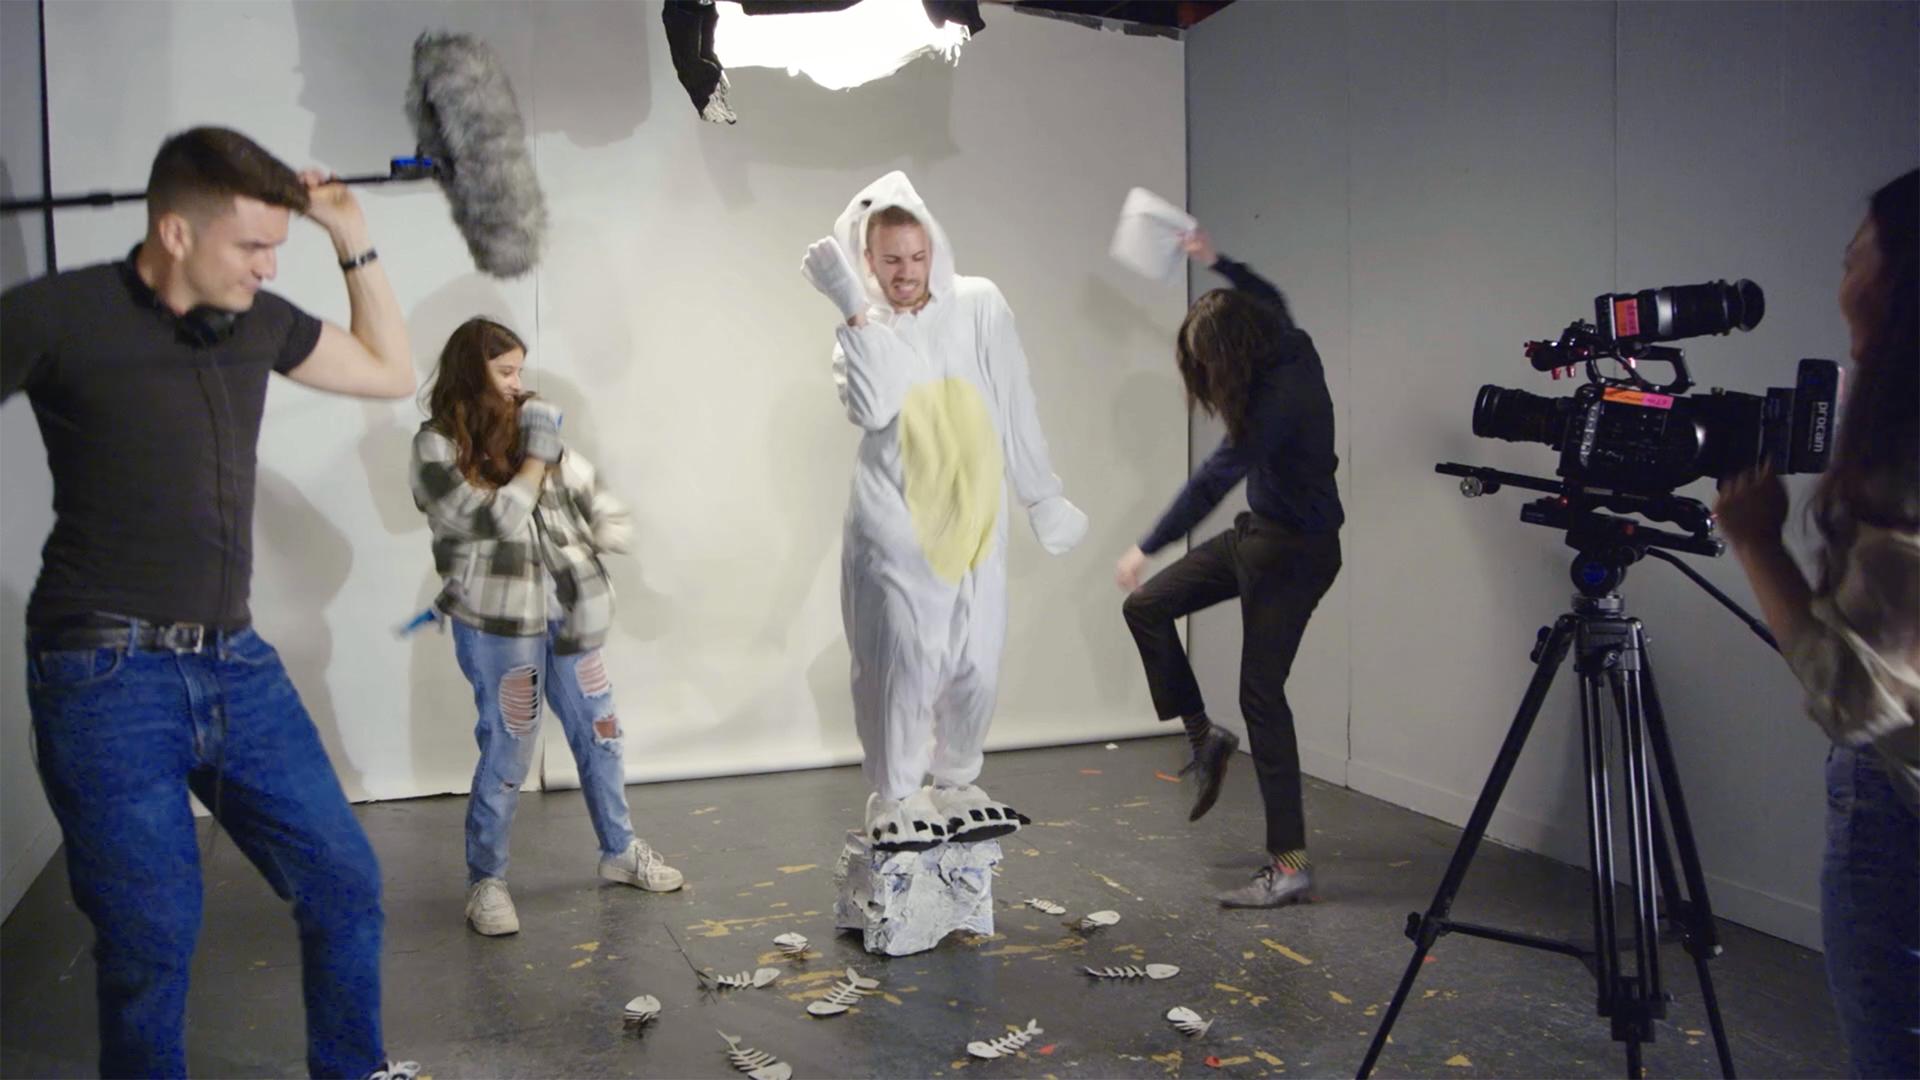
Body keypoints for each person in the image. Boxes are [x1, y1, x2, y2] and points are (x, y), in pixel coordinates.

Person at [0, 127, 418, 1080]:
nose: (271, 267)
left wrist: (348, 234)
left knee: (345, 883)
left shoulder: (254, 322)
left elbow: (391, 372)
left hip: (234, 663)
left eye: (280, 245)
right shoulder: (57, 315)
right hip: (102, 673)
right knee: (150, 938)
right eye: (253, 246)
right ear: (175, 233)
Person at [799, 171, 1088, 852]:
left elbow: (1015, 397)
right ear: (867, 260)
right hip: (894, 525)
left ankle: (956, 778)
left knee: (975, 658)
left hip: (976, 519)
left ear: (936, 249)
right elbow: (874, 407)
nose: (907, 272)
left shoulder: (980, 304)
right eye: (890, 259)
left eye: (917, 256)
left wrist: (1041, 492)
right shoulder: (860, 332)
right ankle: (896, 792)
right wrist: (851, 308)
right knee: (902, 658)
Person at [1716, 165, 1920, 1079]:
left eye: (1852, 260)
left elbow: (1853, 699)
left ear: (1890, 285)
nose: (1841, 283)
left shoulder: (1902, 469)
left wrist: (1757, 542)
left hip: (1899, 800)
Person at [409, 316, 684, 937]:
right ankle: (487, 880)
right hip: (497, 625)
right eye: (504, 371)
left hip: (566, 616)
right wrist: (535, 461)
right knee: (509, 743)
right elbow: (494, 522)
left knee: (601, 729)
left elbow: (591, 493)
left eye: (519, 371)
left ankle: (619, 851)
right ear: (469, 371)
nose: (516, 384)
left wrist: (600, 527)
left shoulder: (530, 425)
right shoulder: (434, 448)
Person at [1115, 228, 1343, 909]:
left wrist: (1146, 544)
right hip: (1257, 537)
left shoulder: (1278, 402)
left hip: (1296, 556)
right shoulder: (1286, 337)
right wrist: (1215, 260)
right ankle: (1201, 736)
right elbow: (1267, 295)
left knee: (1262, 697)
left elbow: (1214, 479)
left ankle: (1290, 865)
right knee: (1146, 607)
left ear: (1232, 357)